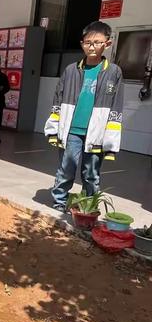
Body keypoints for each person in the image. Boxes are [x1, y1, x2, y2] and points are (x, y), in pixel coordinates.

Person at [44, 21, 123, 212]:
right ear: (82, 44)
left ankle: (89, 206)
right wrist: (54, 128)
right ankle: (59, 202)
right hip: (71, 130)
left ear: (108, 43)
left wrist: (111, 141)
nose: (92, 46)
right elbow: (58, 98)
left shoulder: (114, 72)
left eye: (97, 42)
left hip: (96, 133)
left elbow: (116, 106)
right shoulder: (71, 70)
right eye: (88, 42)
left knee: (91, 173)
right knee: (66, 168)